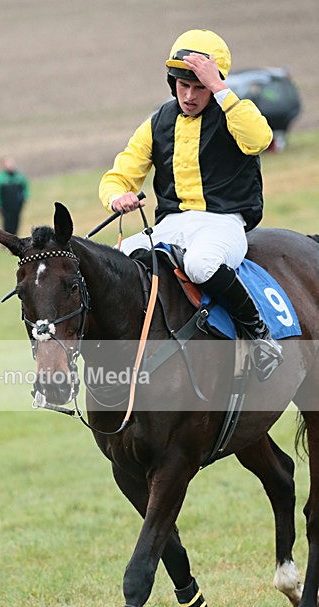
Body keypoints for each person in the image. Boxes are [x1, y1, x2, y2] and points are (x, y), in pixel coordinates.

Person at [99, 29, 283, 381]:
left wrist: (220, 90)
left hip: (222, 222)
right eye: (182, 85)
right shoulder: (157, 123)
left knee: (200, 264)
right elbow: (119, 175)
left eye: (198, 86)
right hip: (170, 225)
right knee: (114, 263)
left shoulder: (236, 113)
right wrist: (116, 196)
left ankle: (261, 338)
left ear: (214, 84)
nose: (189, 95)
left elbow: (261, 139)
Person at [0, 156, 29, 235]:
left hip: (17, 205)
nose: (11, 165)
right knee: (7, 224)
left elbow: (25, 187)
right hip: (5, 206)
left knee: (16, 222)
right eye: (8, 163)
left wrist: (24, 197)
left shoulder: (18, 176)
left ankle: (16, 239)